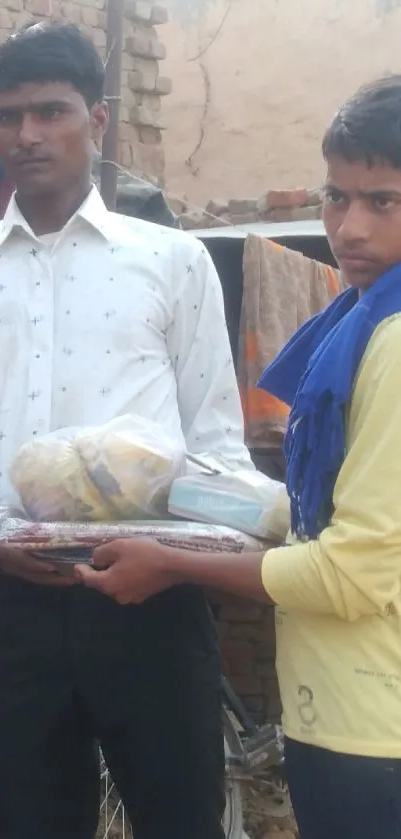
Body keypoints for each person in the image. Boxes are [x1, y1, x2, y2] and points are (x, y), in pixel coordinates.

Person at [78, 76, 401, 839]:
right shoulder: (358, 316)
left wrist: (175, 562)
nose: (347, 226)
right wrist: (192, 500)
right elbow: (338, 512)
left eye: (381, 201)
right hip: (342, 705)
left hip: (374, 726)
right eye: (334, 195)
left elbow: (351, 570)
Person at [0, 22, 255, 839]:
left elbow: (217, 450)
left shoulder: (172, 262)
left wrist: (178, 555)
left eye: (51, 111)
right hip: (9, 606)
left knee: (180, 818)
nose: (27, 134)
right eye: (8, 116)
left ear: (97, 119)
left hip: (149, 597)